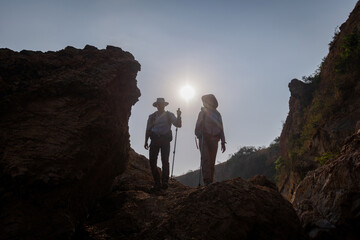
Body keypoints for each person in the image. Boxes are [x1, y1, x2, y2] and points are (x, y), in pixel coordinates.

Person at [145, 98, 182, 190]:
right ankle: (157, 181)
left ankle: (165, 181)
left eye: (161, 104)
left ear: (164, 105)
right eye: (158, 104)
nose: (160, 106)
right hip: (154, 140)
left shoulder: (169, 115)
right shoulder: (152, 116)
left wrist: (178, 116)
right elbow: (148, 129)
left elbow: (178, 125)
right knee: (152, 161)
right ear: (156, 105)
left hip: (165, 140)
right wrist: (146, 141)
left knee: (165, 161)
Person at [195, 94, 226, 186]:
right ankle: (207, 180)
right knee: (206, 159)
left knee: (212, 162)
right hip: (204, 138)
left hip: (214, 139)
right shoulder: (202, 113)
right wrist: (199, 134)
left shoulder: (217, 114)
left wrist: (223, 142)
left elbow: (221, 128)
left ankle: (210, 181)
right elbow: (197, 127)